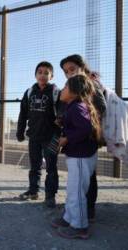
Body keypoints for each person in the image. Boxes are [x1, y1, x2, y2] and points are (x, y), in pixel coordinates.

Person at [51, 74, 101, 239]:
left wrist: (66, 138)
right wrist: (64, 123)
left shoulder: (77, 107)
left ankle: (79, 226)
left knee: (76, 192)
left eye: (65, 87)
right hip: (80, 156)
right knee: (73, 190)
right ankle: (68, 218)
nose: (62, 89)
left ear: (73, 91)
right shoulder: (75, 106)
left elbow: (85, 129)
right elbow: (80, 126)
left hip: (80, 157)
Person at [59, 54, 106, 222]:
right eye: (66, 72)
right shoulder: (74, 86)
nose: (69, 73)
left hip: (87, 140)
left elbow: (101, 107)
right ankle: (75, 212)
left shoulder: (90, 84)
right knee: (82, 181)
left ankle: (87, 211)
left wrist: (83, 117)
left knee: (87, 179)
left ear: (82, 67)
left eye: (72, 69)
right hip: (80, 139)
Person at [16, 61, 60, 208]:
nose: (42, 75)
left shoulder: (55, 92)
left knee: (51, 168)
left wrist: (60, 134)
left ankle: (50, 196)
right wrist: (20, 131)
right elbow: (23, 114)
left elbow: (62, 115)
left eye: (46, 73)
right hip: (34, 136)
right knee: (34, 166)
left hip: (51, 137)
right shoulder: (29, 92)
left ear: (51, 76)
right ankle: (33, 191)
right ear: (35, 75)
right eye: (40, 72)